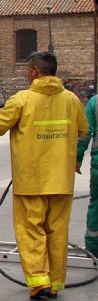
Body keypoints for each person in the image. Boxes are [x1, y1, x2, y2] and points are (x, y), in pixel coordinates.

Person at [0, 51, 88, 299]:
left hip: (30, 181)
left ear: (35, 71)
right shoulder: (72, 100)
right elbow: (83, 130)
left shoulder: (21, 99)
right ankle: (55, 284)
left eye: (27, 70)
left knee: (31, 231)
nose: (27, 74)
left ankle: (39, 284)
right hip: (61, 180)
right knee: (57, 232)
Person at [76, 94, 98, 261]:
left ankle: (93, 248)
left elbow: (84, 133)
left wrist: (77, 158)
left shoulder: (95, 102)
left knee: (96, 205)